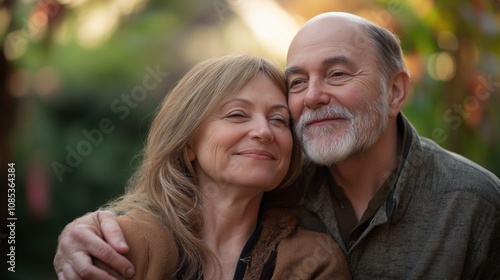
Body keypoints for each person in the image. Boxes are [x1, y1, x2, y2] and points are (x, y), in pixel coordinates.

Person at [54, 12, 500, 279]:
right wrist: (84, 234)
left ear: (397, 92)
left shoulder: (473, 202)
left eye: (338, 74)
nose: (312, 97)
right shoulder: (269, 173)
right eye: (298, 81)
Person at [54, 54, 350, 280]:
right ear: (188, 143)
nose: (264, 131)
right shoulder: (122, 245)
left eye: (278, 119)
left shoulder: (315, 261)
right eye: (237, 114)